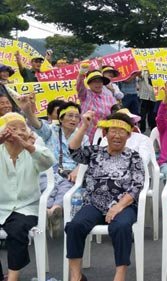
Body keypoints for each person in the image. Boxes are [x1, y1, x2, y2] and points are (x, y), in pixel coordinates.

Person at [65, 112, 145, 281]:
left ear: (129, 135)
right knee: (74, 226)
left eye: (121, 131)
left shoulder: (134, 156)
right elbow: (73, 150)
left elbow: (137, 185)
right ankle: (76, 276)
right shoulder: (94, 151)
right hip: (94, 204)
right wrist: (84, 127)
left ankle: (120, 274)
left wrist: (118, 206)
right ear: (105, 133)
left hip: (123, 205)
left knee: (121, 227)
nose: (117, 135)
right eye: (112, 131)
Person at [21, 97, 89, 237]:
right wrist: (27, 110)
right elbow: (35, 123)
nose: (74, 119)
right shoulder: (50, 131)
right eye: (70, 115)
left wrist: (78, 169)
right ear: (61, 118)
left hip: (70, 173)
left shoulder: (83, 136)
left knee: (67, 186)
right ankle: (51, 212)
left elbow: (86, 158)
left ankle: (54, 210)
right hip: (49, 171)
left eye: (77, 117)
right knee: (46, 186)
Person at [0, 112, 55, 281]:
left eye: (22, 128)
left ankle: (13, 277)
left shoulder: (34, 149)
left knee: (17, 230)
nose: (17, 132)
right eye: (12, 128)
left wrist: (27, 145)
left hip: (27, 207)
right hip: (1, 206)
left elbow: (49, 161)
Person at [76, 65, 117, 141]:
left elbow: (115, 111)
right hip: (86, 134)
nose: (98, 84)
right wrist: (81, 74)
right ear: (89, 84)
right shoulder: (85, 95)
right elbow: (79, 86)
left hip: (103, 135)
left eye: (100, 82)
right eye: (94, 82)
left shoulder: (109, 96)